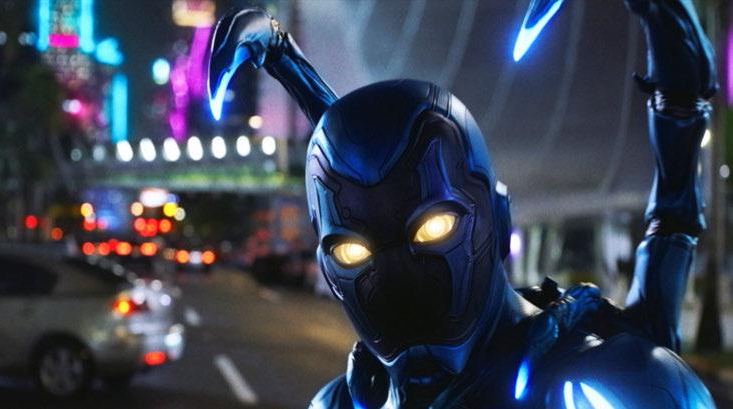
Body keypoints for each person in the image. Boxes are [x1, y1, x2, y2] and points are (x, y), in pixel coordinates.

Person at [207, 0, 718, 407]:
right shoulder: (347, 400)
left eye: (433, 230)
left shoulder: (597, 386)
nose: (400, 281)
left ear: (499, 218)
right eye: (352, 253)